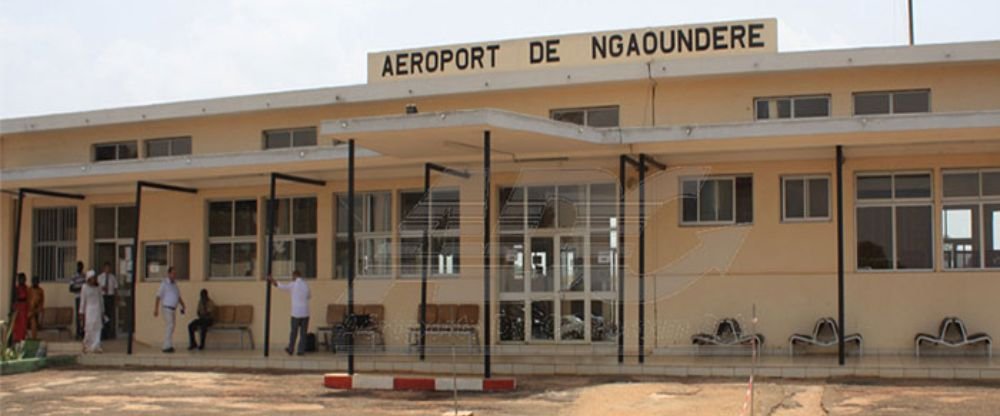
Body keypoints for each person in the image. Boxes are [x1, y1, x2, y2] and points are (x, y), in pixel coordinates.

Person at [268, 270, 310, 356]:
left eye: (292, 276)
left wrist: (271, 280)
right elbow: (309, 296)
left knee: (293, 332)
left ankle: (291, 349)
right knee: (303, 333)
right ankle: (301, 351)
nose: (292, 278)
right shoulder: (306, 285)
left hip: (296, 313)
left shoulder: (293, 285)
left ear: (295, 275)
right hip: (305, 312)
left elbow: (280, 286)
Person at [154, 267, 185, 353]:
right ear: (169, 274)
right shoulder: (164, 284)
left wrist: (182, 305)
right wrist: (156, 309)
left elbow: (178, 296)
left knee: (172, 327)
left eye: (175, 274)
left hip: (173, 309)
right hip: (166, 308)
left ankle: (169, 344)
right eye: (173, 273)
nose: (174, 275)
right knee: (170, 325)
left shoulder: (175, 284)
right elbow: (158, 296)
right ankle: (166, 346)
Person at [79, 270, 104, 353]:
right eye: (92, 278)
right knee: (89, 327)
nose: (94, 280)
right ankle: (87, 344)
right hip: (89, 309)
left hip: (97, 309)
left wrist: (102, 311)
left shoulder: (98, 287)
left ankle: (96, 345)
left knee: (97, 327)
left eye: (94, 278)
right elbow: (83, 301)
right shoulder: (84, 287)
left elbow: (101, 299)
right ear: (89, 279)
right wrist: (81, 312)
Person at [96, 262, 119, 339]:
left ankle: (109, 332)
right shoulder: (100, 277)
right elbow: (96, 288)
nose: (107, 269)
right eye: (106, 268)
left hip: (110, 296)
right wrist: (102, 288)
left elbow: (115, 288)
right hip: (102, 297)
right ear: (103, 268)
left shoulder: (113, 277)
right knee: (103, 314)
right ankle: (103, 333)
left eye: (108, 268)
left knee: (109, 315)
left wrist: (116, 298)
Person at [68, 261, 85, 340]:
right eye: (78, 266)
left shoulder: (84, 276)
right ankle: (78, 332)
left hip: (85, 298)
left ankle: (83, 332)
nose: (80, 268)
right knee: (78, 316)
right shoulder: (74, 276)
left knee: (84, 316)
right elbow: (71, 288)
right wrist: (80, 289)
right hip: (78, 297)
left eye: (81, 266)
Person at [12, 273, 29, 342]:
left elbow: (28, 298)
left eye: (23, 279)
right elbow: (15, 298)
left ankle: (22, 338)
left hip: (25, 307)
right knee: (18, 325)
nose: (22, 280)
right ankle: (17, 339)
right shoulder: (17, 288)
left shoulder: (27, 288)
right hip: (18, 307)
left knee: (24, 324)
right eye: (21, 279)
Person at [27, 276, 45, 340]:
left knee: (33, 318)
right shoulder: (29, 290)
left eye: (36, 282)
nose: (35, 283)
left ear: (38, 282)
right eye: (33, 281)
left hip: (36, 311)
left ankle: (34, 338)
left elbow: (42, 302)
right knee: (32, 318)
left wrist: (36, 310)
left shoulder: (40, 291)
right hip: (28, 311)